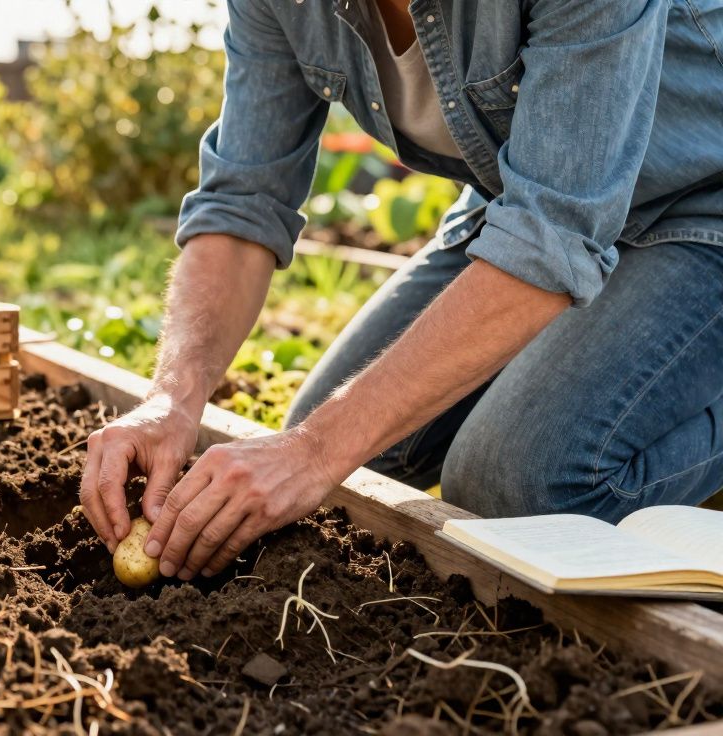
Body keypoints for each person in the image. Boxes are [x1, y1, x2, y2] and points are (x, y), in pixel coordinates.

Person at [78, 0, 723, 582]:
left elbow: (553, 235)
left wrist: (313, 452)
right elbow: (243, 202)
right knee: (350, 471)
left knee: (519, 484)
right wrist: (173, 396)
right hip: (530, 204)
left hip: (698, 200)